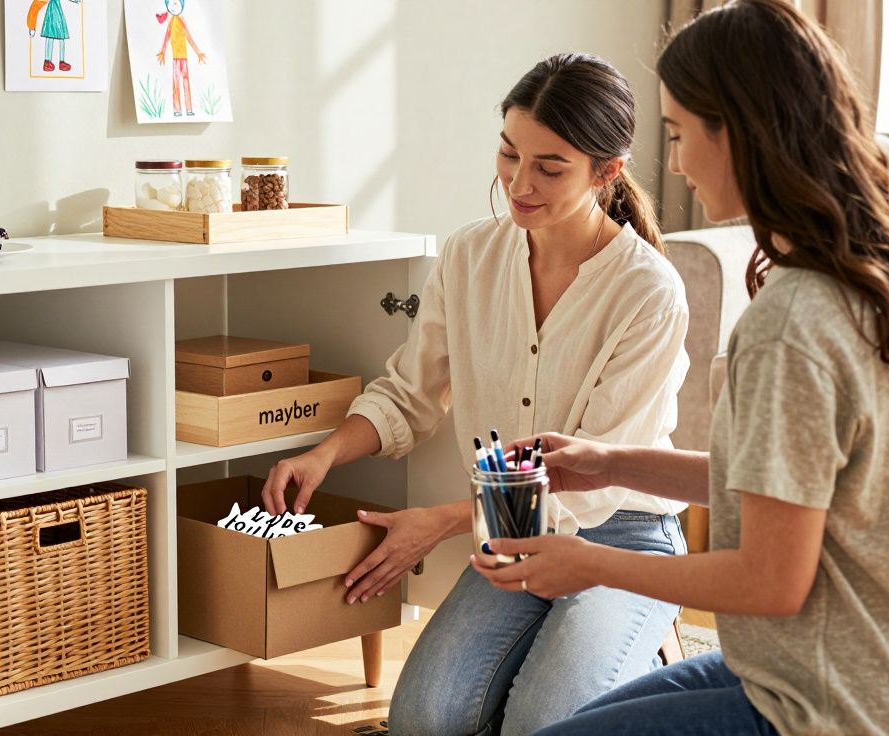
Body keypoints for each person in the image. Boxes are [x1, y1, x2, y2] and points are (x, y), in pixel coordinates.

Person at [479, 3, 889, 734]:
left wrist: (590, 564)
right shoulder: (860, 280)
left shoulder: (793, 323)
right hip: (855, 678)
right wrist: (611, 462)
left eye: (677, 133)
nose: (671, 163)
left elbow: (769, 580)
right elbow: (787, 492)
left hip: (833, 708)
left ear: (737, 132)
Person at [261, 53, 692, 735]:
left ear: (606, 172)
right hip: (514, 535)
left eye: (550, 168)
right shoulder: (467, 258)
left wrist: (439, 522)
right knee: (424, 721)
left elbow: (590, 484)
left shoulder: (649, 292)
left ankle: (635, 652)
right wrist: (325, 455)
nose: (520, 183)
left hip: (622, 537)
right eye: (508, 152)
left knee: (543, 724)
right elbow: (410, 392)